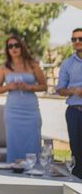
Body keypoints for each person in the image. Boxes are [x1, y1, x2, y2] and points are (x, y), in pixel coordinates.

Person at [0, 35, 46, 162]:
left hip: (31, 110)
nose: (13, 48)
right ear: (7, 50)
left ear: (21, 47)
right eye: (10, 46)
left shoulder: (33, 65)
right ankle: (14, 172)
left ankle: (34, 172)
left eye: (16, 45)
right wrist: (9, 87)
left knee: (33, 141)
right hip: (13, 111)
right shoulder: (4, 67)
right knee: (14, 142)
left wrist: (29, 87)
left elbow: (44, 86)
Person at [56, 27, 82, 178]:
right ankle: (78, 184)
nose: (77, 42)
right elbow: (60, 89)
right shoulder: (67, 64)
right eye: (74, 39)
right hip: (74, 112)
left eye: (80, 39)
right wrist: (74, 91)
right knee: (77, 152)